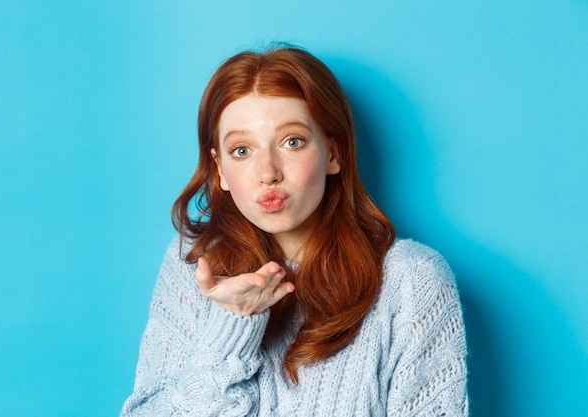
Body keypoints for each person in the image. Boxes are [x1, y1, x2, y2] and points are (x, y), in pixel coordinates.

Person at [120, 46, 468, 416]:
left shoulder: (412, 280)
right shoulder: (193, 264)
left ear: (334, 153)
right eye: (241, 150)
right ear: (219, 168)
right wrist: (231, 326)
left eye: (292, 142)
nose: (268, 172)